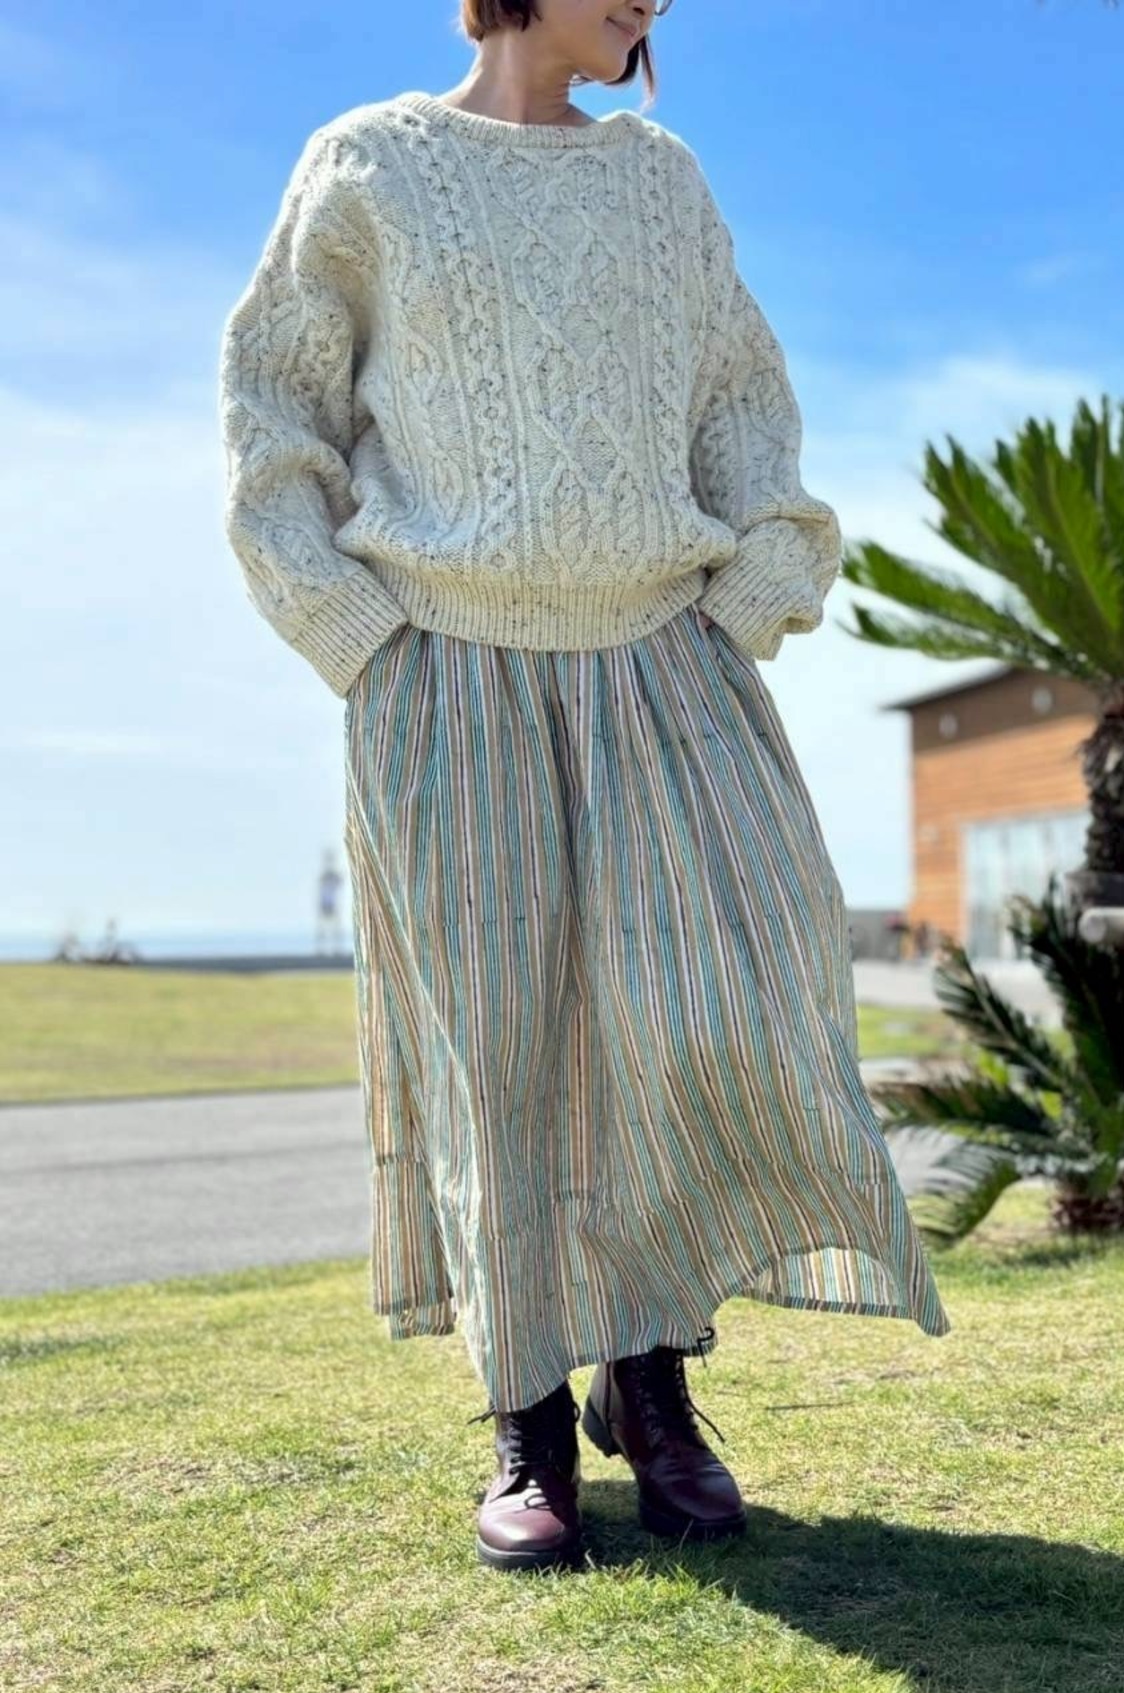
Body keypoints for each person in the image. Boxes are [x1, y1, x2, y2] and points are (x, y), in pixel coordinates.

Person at [218, 0, 951, 1576]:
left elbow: (741, 403)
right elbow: (275, 417)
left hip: (664, 666)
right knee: (498, 1059)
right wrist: (357, 639)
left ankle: (651, 1377)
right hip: (442, 675)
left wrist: (749, 600)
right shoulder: (368, 165)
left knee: (695, 1023)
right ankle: (531, 1425)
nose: (654, 3)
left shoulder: (660, 181)